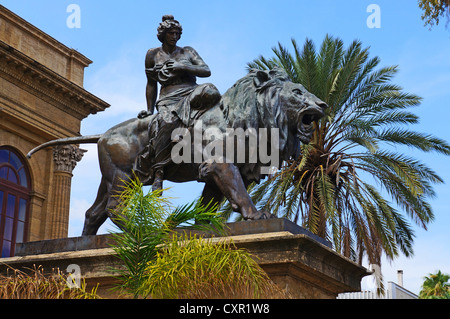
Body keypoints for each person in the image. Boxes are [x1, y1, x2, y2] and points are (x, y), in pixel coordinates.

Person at [135, 15, 220, 190]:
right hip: (169, 97)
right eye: (171, 33)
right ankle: (159, 170)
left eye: (177, 33)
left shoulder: (187, 51)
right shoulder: (152, 54)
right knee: (166, 122)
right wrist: (149, 110)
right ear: (163, 34)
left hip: (191, 91)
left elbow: (206, 70)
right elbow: (151, 84)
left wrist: (183, 67)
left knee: (211, 91)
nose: (174, 36)